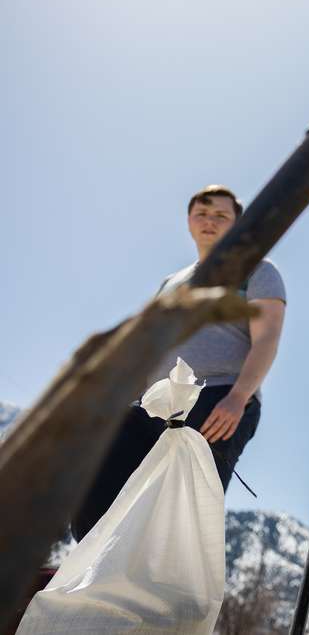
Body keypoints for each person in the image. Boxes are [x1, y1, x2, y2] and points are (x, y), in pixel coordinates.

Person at [72, 185, 286, 540]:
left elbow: (267, 338)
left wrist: (238, 397)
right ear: (189, 221)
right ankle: (93, 580)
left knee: (180, 510)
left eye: (221, 215)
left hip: (217, 396)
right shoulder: (171, 283)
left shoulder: (257, 271)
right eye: (202, 214)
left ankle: (164, 592)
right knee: (96, 494)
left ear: (237, 223)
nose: (209, 221)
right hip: (151, 402)